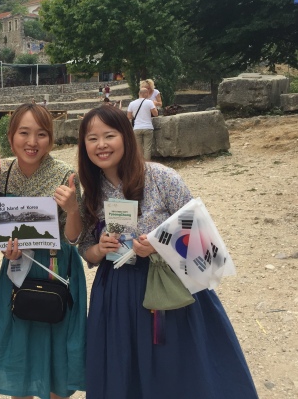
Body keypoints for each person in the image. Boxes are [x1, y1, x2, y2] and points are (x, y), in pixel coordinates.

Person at [76, 104, 258, 399]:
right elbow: (86, 249)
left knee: (175, 370)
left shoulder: (163, 178)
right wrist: (99, 247)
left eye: (109, 135)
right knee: (124, 372)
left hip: (168, 290)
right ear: (84, 145)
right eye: (92, 139)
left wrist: (160, 246)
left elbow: (201, 239)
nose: (101, 145)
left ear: (125, 136)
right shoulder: (92, 190)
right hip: (116, 294)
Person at [0, 103, 87, 399]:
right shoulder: (2, 174)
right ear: (11, 135)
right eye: (23, 133)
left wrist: (73, 209)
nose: (32, 142)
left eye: (41, 134)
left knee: (56, 349)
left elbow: (74, 237)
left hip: (57, 266)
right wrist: (6, 252)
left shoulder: (65, 175)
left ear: (50, 139)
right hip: (18, 267)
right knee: (19, 348)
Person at [127, 87, 158, 161]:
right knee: (147, 147)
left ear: (139, 93)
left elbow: (129, 116)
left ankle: (140, 163)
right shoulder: (149, 102)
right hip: (148, 127)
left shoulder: (132, 103)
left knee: (138, 148)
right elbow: (156, 114)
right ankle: (147, 163)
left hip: (137, 127)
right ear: (146, 93)